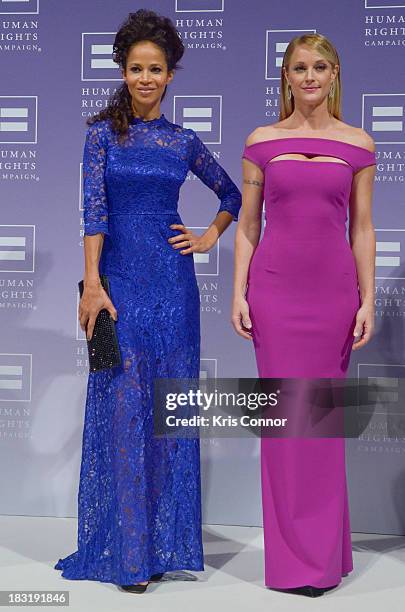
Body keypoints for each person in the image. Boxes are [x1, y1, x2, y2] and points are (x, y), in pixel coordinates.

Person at [54, 9, 241, 594]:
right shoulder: (99, 136)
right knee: (125, 406)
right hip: (118, 283)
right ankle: (130, 551)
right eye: (135, 68)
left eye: (155, 69)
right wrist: (92, 283)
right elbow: (94, 214)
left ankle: (162, 545)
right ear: (123, 70)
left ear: (169, 74)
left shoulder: (183, 141)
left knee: (166, 410)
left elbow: (232, 193)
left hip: (173, 284)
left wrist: (209, 236)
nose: (145, 77)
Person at [232, 33, 376, 597]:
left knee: (321, 426)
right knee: (285, 430)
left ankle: (325, 555)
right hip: (274, 295)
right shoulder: (261, 141)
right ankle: (297, 562)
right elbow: (248, 226)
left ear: (335, 73)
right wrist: (238, 292)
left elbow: (362, 228)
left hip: (333, 296)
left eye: (319, 67)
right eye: (299, 68)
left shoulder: (359, 143)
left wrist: (367, 299)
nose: (309, 77)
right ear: (286, 77)